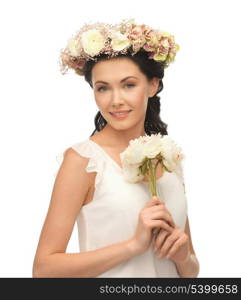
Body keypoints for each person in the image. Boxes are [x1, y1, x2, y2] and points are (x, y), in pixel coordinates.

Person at [32, 18, 199, 278]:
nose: (115, 101)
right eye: (103, 88)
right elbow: (44, 269)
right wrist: (133, 246)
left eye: (129, 85)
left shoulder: (168, 157)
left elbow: (191, 272)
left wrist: (182, 256)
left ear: (153, 85)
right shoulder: (83, 161)